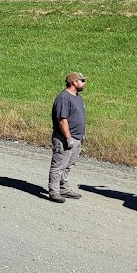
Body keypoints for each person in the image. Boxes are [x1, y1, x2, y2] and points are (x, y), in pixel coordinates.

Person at [46, 72, 87, 203]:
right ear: (74, 82)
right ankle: (54, 191)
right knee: (59, 165)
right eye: (82, 81)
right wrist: (68, 137)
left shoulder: (77, 97)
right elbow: (62, 120)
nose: (84, 83)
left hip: (77, 138)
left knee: (69, 165)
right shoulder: (64, 98)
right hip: (65, 138)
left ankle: (63, 188)